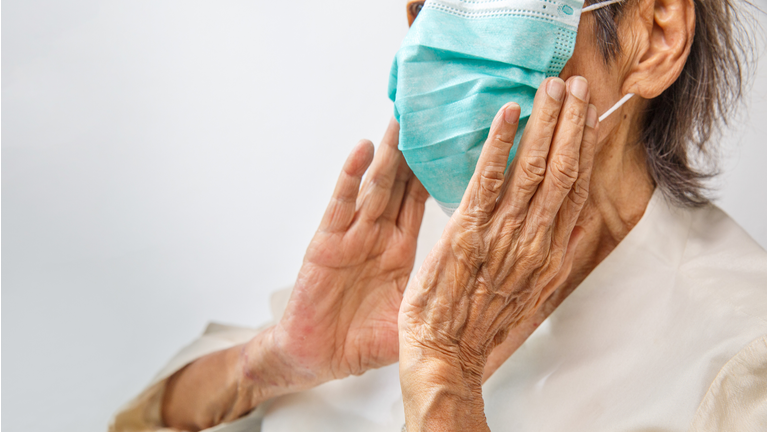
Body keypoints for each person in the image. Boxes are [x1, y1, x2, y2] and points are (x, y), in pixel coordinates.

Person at [110, 0, 766, 431]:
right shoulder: (406, 244)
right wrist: (271, 361)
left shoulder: (740, 360)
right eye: (428, 7)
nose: (435, 41)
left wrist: (445, 385)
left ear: (654, 37)